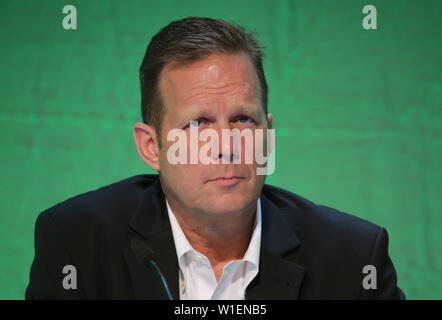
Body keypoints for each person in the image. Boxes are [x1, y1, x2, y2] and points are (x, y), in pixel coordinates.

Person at [25, 17, 405, 300]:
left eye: (242, 119)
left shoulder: (354, 259)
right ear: (151, 147)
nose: (226, 144)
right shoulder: (76, 242)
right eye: (198, 124)